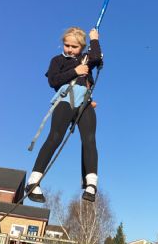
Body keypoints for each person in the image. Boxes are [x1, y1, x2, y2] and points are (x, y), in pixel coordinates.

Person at [26, 26, 102, 203]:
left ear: (82, 47)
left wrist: (94, 39)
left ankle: (91, 184)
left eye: (74, 46)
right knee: (55, 136)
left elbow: (97, 58)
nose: (69, 49)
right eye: (67, 45)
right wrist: (75, 71)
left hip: (85, 101)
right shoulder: (57, 60)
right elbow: (53, 81)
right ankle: (33, 181)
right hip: (66, 98)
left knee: (89, 139)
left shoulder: (86, 59)